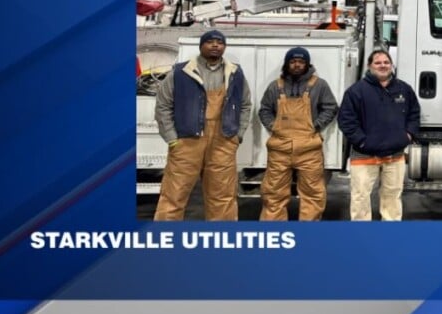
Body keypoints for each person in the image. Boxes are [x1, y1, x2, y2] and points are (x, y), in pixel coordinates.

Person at [154, 29, 252, 221]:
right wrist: (172, 139)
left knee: (222, 197)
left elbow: (246, 104)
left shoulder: (235, 73)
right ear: (201, 46)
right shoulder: (181, 72)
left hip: (223, 141)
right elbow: (163, 105)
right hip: (187, 142)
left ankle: (222, 244)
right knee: (173, 195)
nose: (215, 45)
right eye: (210, 42)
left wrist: (237, 135)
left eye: (220, 42)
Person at [257, 47, 339, 221]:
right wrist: (274, 126)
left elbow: (331, 107)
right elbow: (264, 110)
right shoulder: (275, 86)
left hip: (309, 148)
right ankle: (273, 233)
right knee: (273, 193)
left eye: (301, 62)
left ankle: (308, 235)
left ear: (307, 64)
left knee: (313, 194)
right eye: (293, 62)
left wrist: (315, 126)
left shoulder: (319, 85)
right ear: (287, 64)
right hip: (280, 147)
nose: (296, 65)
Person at [337, 49, 420, 221]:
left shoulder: (404, 89)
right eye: (378, 62)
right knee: (360, 198)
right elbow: (346, 120)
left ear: (391, 65)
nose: (383, 66)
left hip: (395, 155)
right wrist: (363, 142)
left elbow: (414, 113)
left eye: (386, 62)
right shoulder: (356, 91)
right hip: (364, 155)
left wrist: (408, 136)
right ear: (370, 66)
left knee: (392, 198)